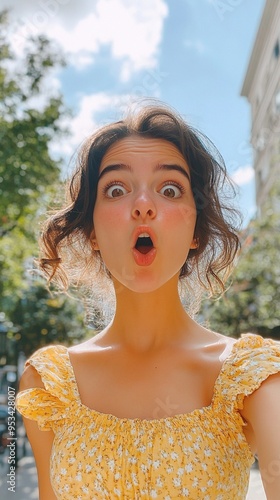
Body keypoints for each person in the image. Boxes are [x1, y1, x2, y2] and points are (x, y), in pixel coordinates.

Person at [16, 102, 280, 500]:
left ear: (195, 229)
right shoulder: (49, 384)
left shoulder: (252, 377)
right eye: (116, 189)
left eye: (170, 189)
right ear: (91, 231)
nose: (143, 204)